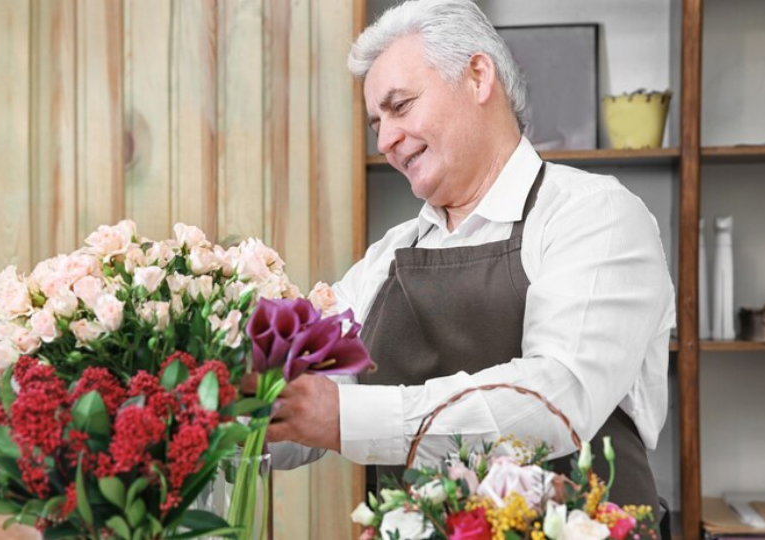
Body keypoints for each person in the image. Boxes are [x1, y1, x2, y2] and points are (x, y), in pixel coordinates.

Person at [263, 0, 676, 518]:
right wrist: (221, 410)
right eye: (376, 124)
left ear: (479, 77)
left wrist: (346, 417)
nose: (386, 140)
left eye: (400, 106)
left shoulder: (595, 215)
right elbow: (306, 404)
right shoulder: (386, 257)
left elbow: (557, 399)